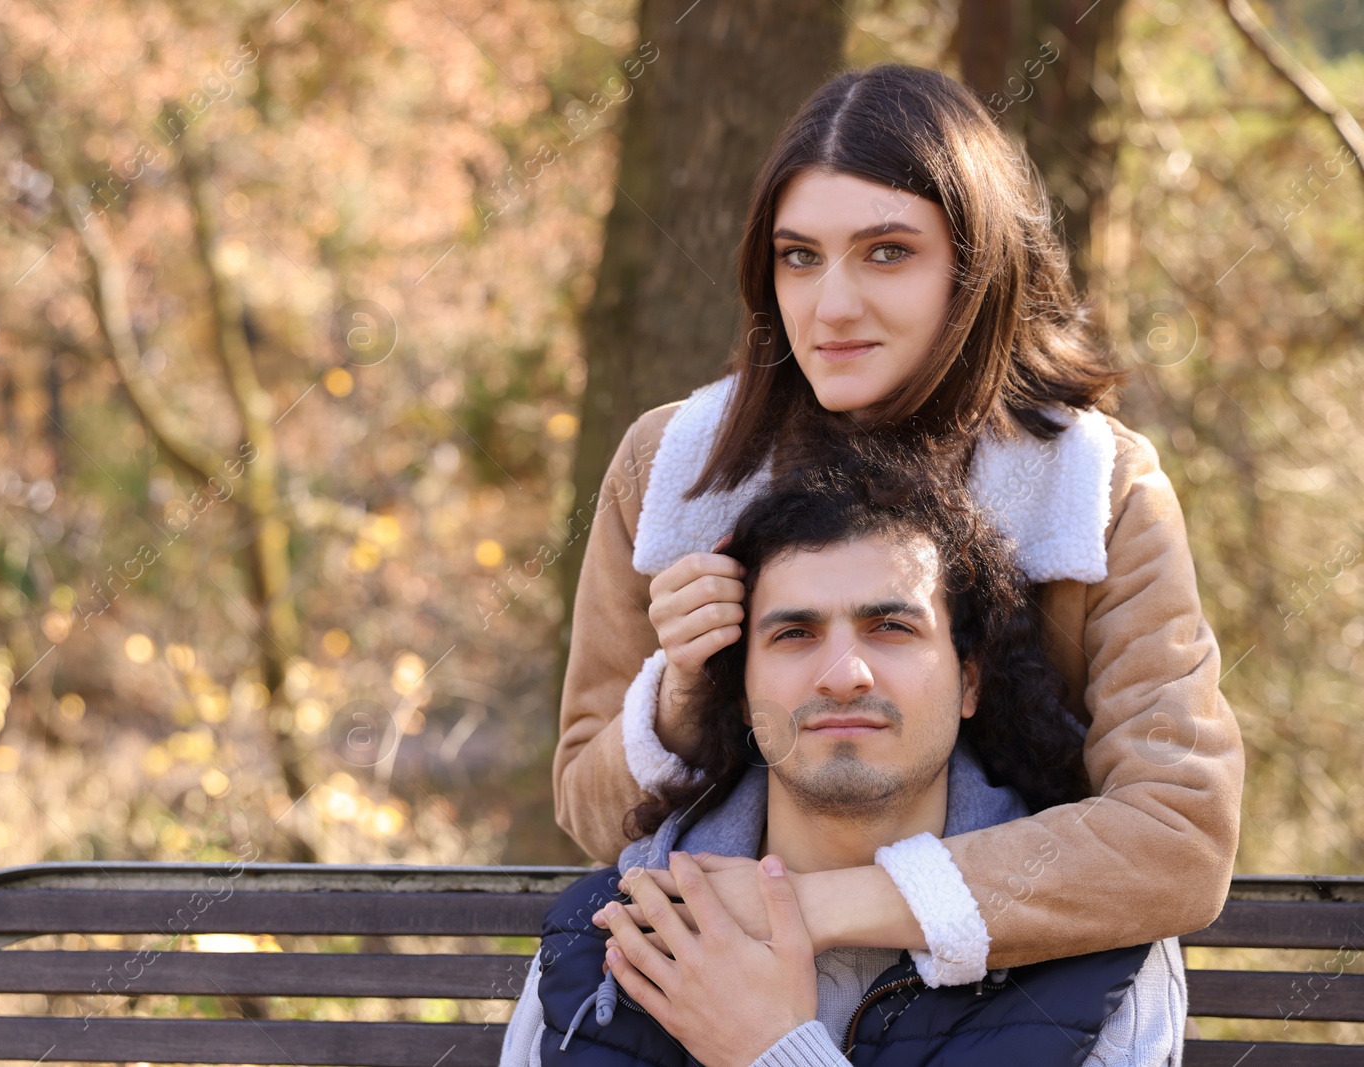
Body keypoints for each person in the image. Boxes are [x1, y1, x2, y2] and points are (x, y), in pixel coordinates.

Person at [554, 63, 1243, 979]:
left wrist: (831, 906)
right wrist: (682, 692)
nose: (832, 305)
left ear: (976, 265)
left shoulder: (1097, 486)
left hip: (1020, 1002)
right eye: (799, 256)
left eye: (887, 251)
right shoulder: (671, 467)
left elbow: (1179, 838)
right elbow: (589, 812)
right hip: (717, 980)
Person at [507, 457, 1186, 1067]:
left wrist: (773, 1053)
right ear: (742, 696)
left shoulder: (1096, 955)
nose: (843, 674)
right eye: (795, 633)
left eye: (891, 627)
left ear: (970, 680)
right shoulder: (602, 938)